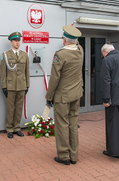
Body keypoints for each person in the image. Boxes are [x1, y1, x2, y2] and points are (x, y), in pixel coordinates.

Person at [45, 24, 83, 165]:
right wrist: (73, 31)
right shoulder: (80, 51)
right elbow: (76, 42)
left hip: (62, 97)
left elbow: (55, 79)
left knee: (62, 125)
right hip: (76, 94)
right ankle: (74, 156)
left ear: (64, 40)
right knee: (73, 125)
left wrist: (49, 96)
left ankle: (63, 156)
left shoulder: (60, 54)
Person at [0, 32, 30, 138]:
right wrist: (4, 86)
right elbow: (3, 72)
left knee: (19, 108)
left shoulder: (25, 55)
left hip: (21, 86)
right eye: (15, 41)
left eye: (18, 40)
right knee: (10, 108)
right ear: (11, 42)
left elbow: (27, 71)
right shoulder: (6, 55)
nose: (17, 42)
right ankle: (9, 128)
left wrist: (27, 85)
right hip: (10, 86)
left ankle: (17, 128)